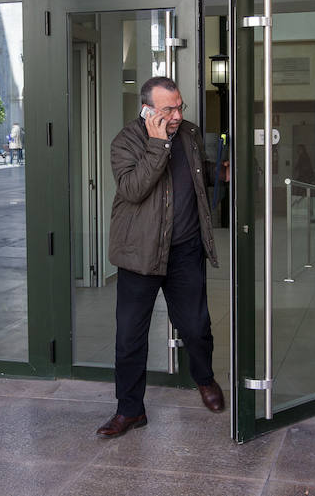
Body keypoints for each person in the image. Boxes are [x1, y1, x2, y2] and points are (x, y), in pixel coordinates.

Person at [96, 76, 225, 439]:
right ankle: (130, 410)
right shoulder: (126, 141)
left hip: (185, 251)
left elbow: (193, 179)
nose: (177, 114)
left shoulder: (190, 133)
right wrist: (157, 144)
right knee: (129, 339)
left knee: (197, 326)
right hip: (140, 255)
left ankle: (204, 379)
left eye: (180, 106)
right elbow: (133, 189)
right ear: (147, 109)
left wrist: (220, 175)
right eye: (169, 109)